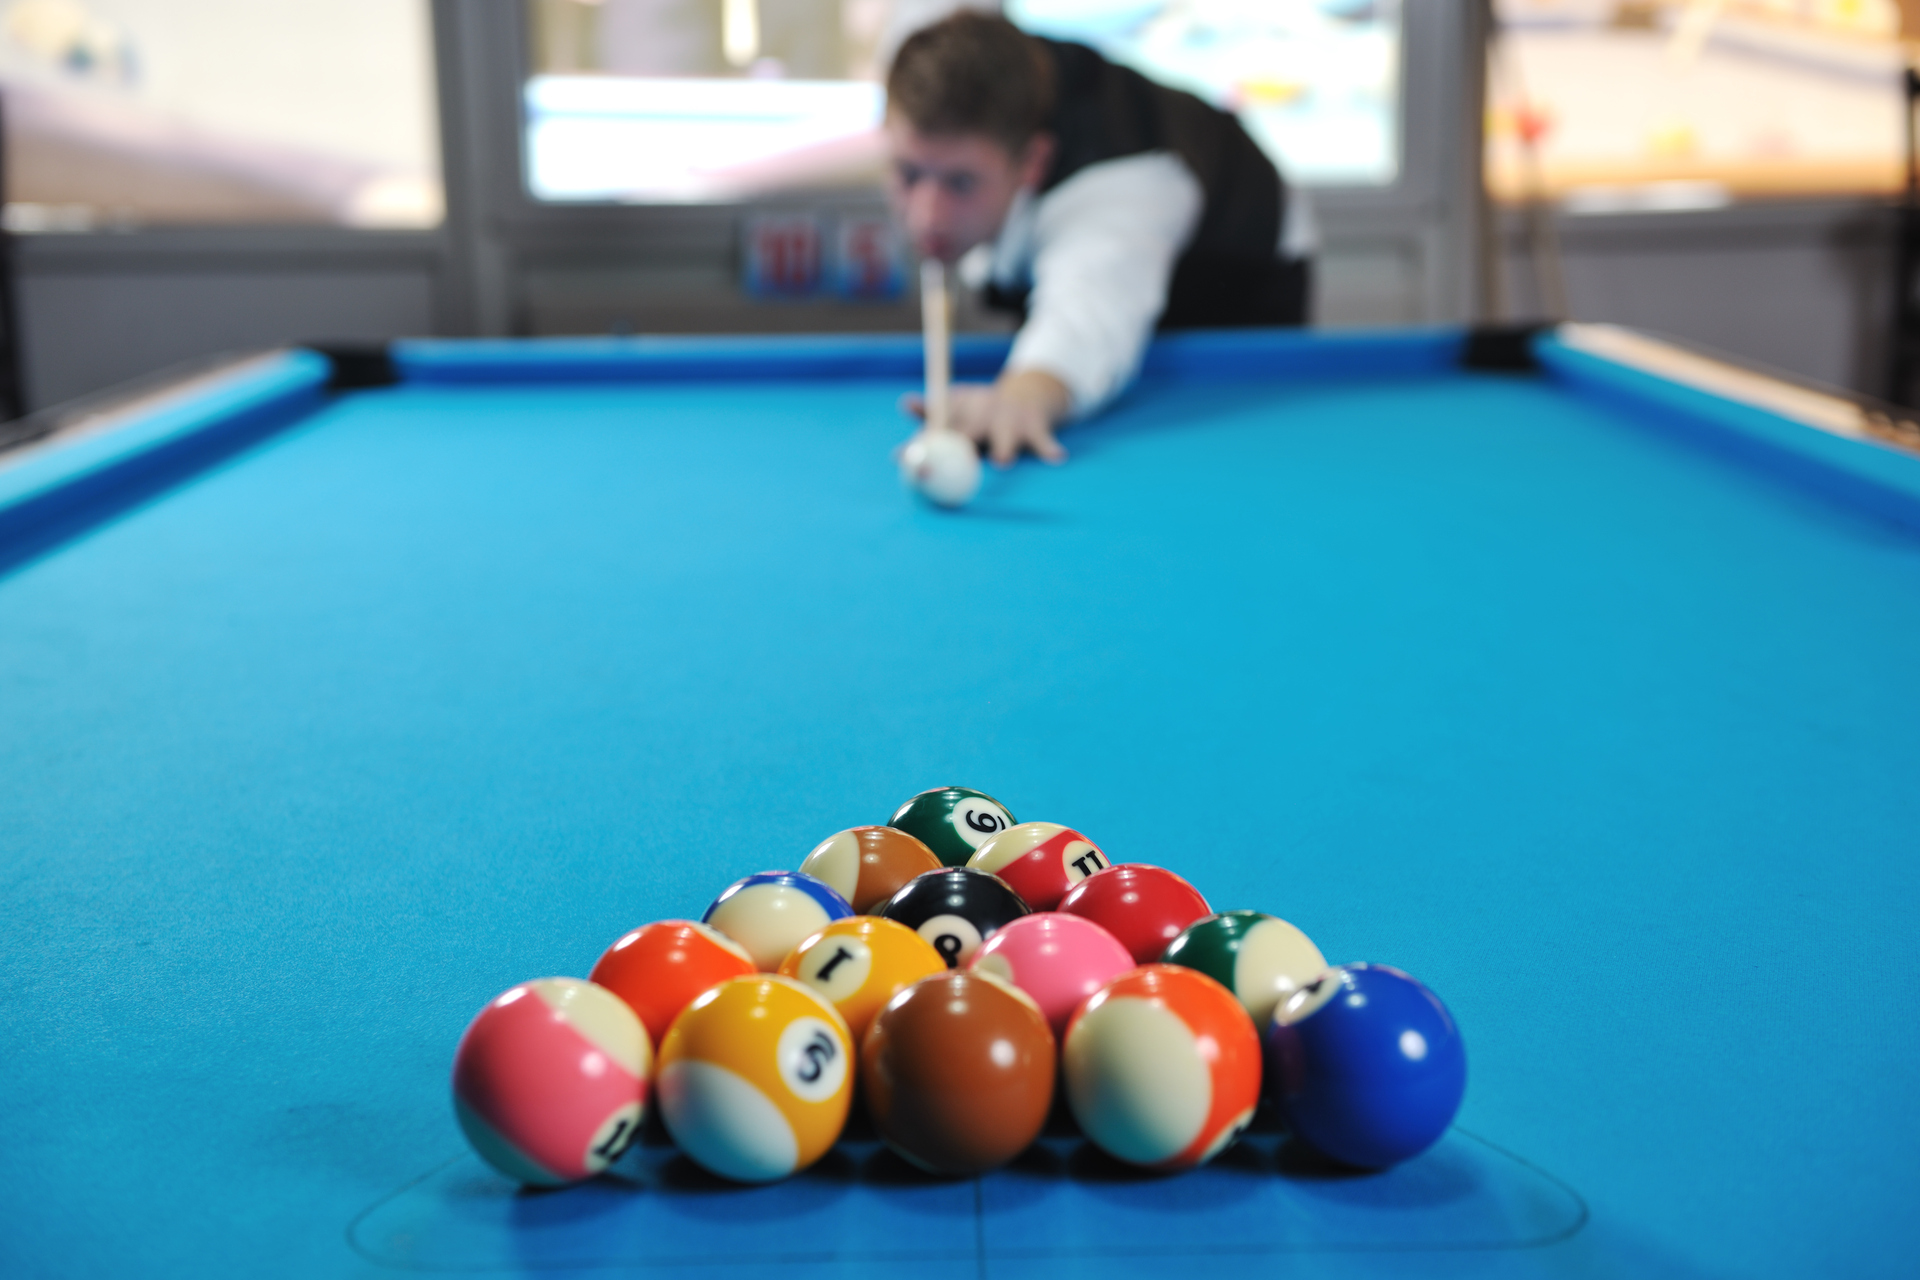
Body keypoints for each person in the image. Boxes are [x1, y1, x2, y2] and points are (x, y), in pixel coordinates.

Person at [885, 10, 1317, 466]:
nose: (925, 215)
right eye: (908, 174)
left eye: (960, 183)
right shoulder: (990, 81)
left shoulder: (1123, 185)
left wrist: (1022, 396)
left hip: (1234, 280)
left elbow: (1087, 317)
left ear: (1032, 162)